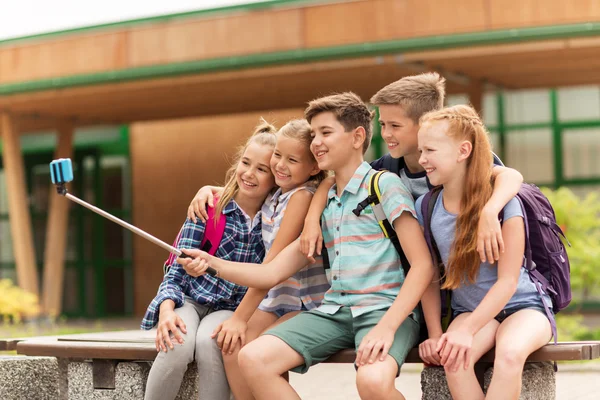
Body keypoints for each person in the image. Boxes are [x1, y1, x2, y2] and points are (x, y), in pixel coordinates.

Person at [180, 92, 435, 400]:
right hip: (335, 311)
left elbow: (423, 266)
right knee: (253, 357)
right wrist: (211, 261)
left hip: (384, 310)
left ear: (357, 137)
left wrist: (387, 327)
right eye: (313, 134)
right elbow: (271, 273)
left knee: (372, 382)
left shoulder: (384, 186)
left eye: (325, 133)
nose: (316, 142)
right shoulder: (322, 202)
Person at [300, 72, 523, 268]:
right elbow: (337, 180)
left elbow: (511, 176)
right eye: (383, 125)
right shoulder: (386, 170)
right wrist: (311, 221)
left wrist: (490, 211)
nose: (386, 134)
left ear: (427, 122)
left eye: (395, 126)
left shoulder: (460, 161)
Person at [415, 105, 552, 400]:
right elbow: (429, 276)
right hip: (471, 311)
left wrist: (467, 331)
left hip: (524, 307)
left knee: (510, 355)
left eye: (430, 150)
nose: (421, 159)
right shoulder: (426, 208)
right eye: (420, 150)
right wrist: (437, 333)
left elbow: (508, 282)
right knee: (454, 361)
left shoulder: (505, 204)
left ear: (463, 151)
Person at [141, 119, 277, 400]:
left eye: (262, 169)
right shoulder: (208, 207)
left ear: (276, 176)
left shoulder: (275, 220)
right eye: (245, 163)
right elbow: (174, 273)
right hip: (188, 300)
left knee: (211, 343)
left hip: (231, 307)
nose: (249, 174)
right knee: (176, 342)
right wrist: (166, 311)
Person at [208, 119, 330, 400]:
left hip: (304, 301)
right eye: (277, 155)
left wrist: (240, 318)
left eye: (292, 159)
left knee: (258, 351)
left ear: (313, 168)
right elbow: (239, 190)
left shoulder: (301, 197)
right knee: (231, 348)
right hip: (276, 299)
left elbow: (271, 266)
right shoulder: (276, 195)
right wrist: (208, 190)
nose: (280, 165)